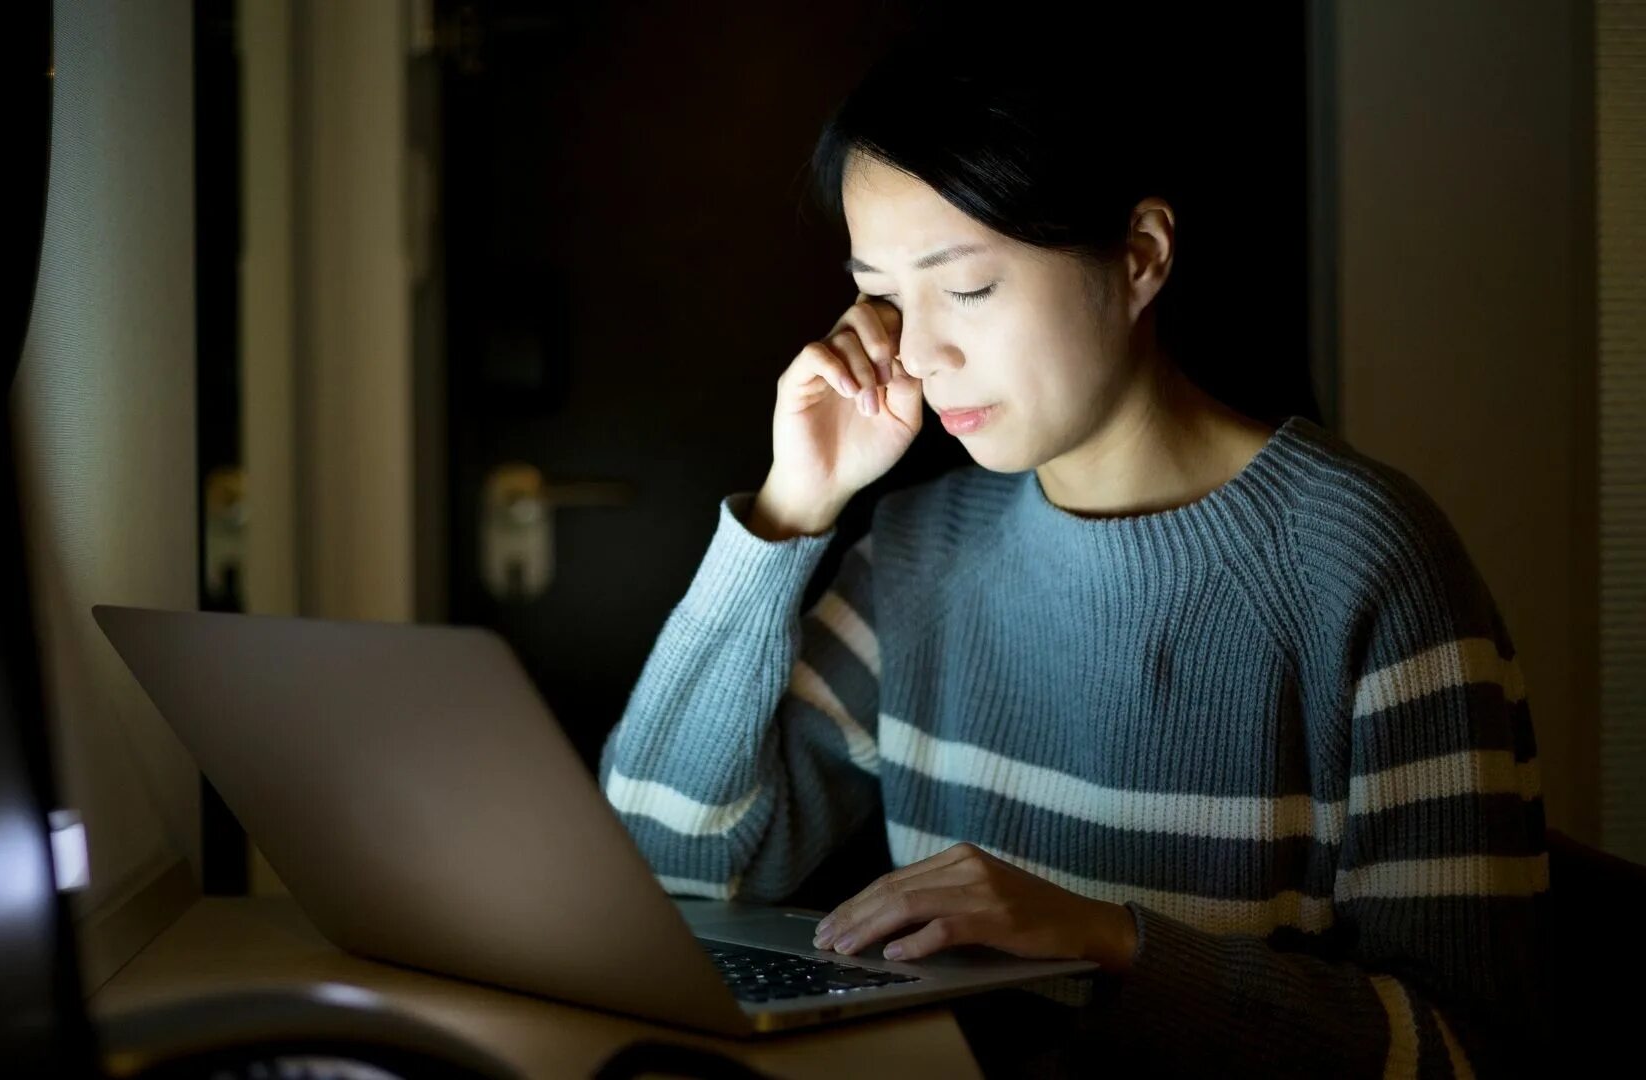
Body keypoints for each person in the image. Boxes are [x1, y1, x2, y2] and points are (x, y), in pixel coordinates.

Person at [595, 22, 1550, 1078]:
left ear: (1140, 256)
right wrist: (785, 514)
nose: (918, 352)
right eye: (885, 296)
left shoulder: (1363, 564)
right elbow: (665, 864)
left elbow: (1467, 1054)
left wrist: (1117, 944)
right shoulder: (918, 550)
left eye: (965, 288)